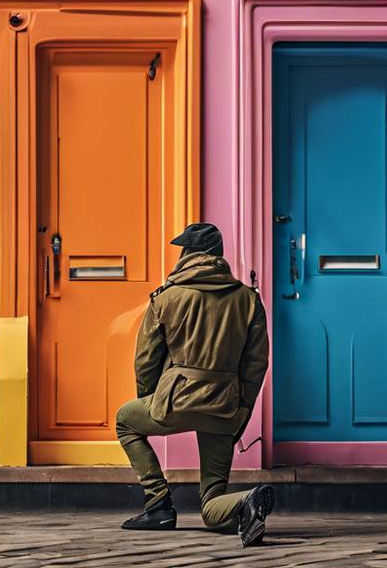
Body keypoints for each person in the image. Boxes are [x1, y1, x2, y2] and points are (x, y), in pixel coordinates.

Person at [115, 222, 275, 547]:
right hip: (225, 407)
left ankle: (158, 505)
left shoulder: (165, 297)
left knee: (125, 422)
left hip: (174, 401)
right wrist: (241, 412)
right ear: (218, 255)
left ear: (188, 254)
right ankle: (245, 501)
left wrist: (154, 401)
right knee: (212, 504)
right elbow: (256, 365)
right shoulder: (248, 299)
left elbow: (145, 361)